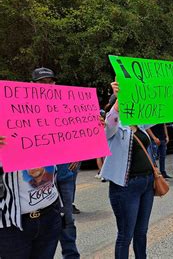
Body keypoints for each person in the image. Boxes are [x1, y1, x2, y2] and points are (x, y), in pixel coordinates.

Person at [0, 68, 89, 259]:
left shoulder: (57, 114)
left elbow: (76, 139)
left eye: (50, 82)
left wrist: (92, 130)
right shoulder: (8, 115)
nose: (47, 87)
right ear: (31, 86)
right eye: (42, 83)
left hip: (50, 212)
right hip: (15, 224)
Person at [100, 80, 156, 259]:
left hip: (147, 183)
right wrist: (118, 99)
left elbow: (161, 112)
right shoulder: (114, 122)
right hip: (125, 187)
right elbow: (107, 130)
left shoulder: (139, 121)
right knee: (125, 235)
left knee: (142, 232)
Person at [56, 162, 81, 259]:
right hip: (36, 182)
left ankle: (71, 256)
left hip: (63, 177)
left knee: (67, 222)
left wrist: (76, 154)